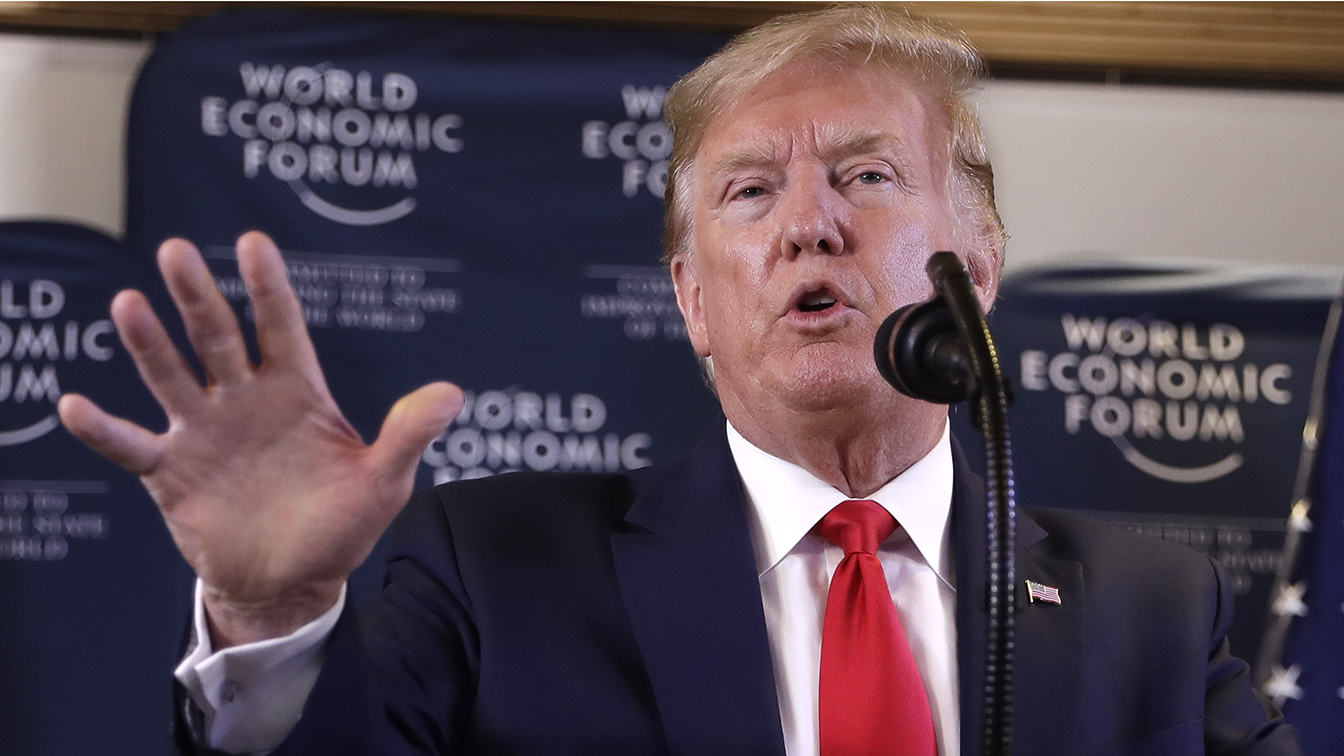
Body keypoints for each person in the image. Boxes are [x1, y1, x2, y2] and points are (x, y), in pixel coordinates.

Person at [59, 5, 1298, 755]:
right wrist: (274, 625)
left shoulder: (1149, 606)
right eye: (751, 193)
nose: (810, 226)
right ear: (694, 300)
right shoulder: (498, 566)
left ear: (975, 259)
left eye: (868, 176)